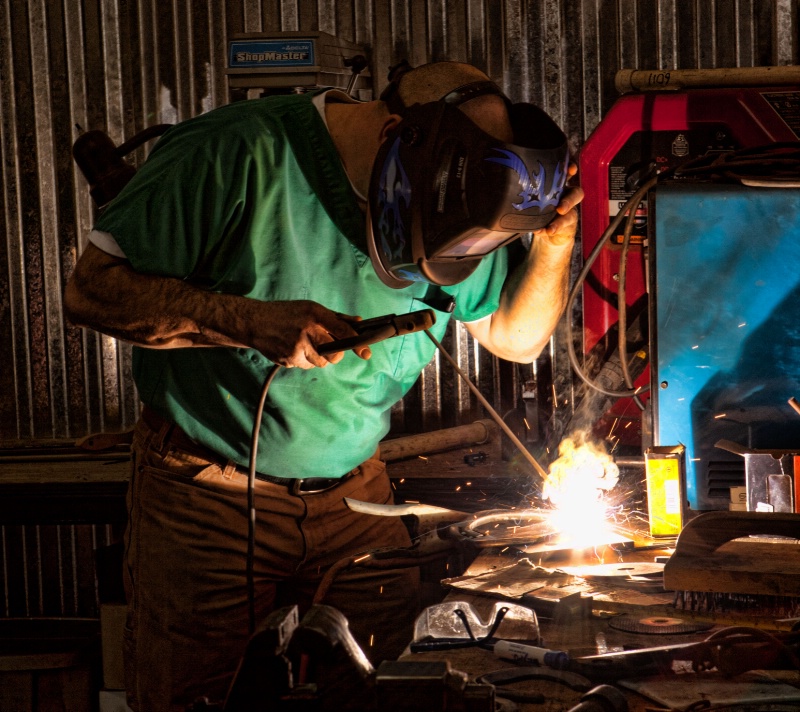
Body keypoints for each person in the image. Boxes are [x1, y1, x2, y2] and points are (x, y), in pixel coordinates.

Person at [64, 60, 583, 711]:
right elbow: (91, 292)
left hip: (357, 501)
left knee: (391, 690)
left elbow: (515, 336)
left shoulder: (462, 198)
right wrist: (246, 322)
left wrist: (553, 245)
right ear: (398, 134)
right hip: (210, 498)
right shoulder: (236, 152)